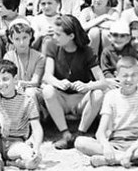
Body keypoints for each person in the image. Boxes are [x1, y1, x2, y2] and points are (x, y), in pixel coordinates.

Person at [77, 54, 138, 168]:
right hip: (116, 143)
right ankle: (135, 159)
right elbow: (100, 132)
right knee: (80, 142)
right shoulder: (111, 95)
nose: (129, 79)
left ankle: (115, 159)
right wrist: (106, 146)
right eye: (125, 75)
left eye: (133, 75)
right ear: (117, 76)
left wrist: (130, 150)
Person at [39, 13, 105, 147]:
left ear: (71, 36)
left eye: (58, 35)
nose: (54, 37)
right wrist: (58, 83)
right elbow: (47, 76)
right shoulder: (51, 46)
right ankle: (66, 134)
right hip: (61, 98)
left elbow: (102, 81)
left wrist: (87, 86)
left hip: (80, 98)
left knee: (97, 94)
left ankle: (80, 134)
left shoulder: (87, 51)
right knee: (47, 90)